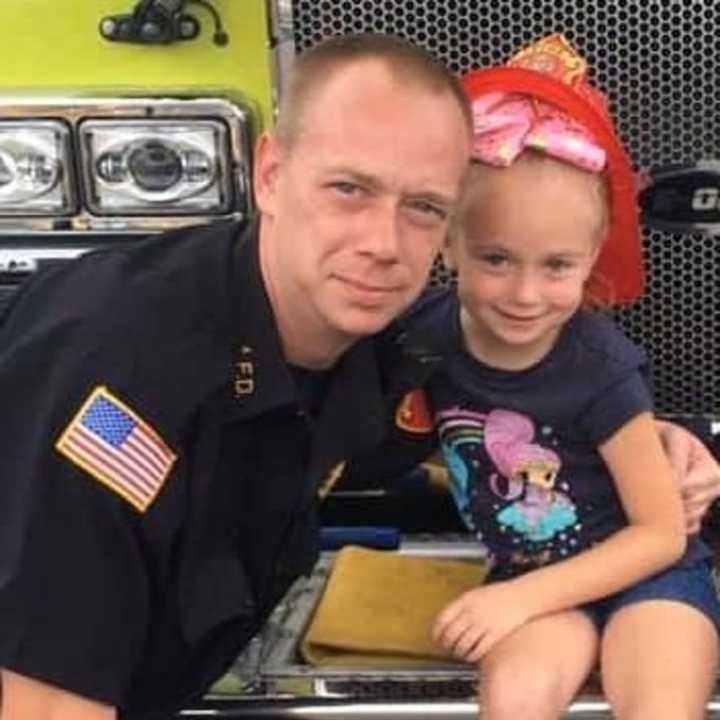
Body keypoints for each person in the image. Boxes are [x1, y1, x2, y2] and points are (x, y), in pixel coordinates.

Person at [0, 31, 716, 720]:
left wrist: (644, 435)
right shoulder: (113, 382)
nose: (382, 245)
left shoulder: (381, 333)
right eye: (349, 188)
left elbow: (522, 388)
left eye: (424, 207)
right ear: (270, 173)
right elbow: (46, 700)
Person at [415, 35, 719, 718]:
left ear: (592, 255)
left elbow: (662, 533)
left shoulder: (601, 370)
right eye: (496, 258)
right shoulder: (423, 337)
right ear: (447, 243)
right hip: (534, 577)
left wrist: (515, 599)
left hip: (652, 578)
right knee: (513, 700)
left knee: (661, 708)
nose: (525, 294)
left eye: (556, 266)